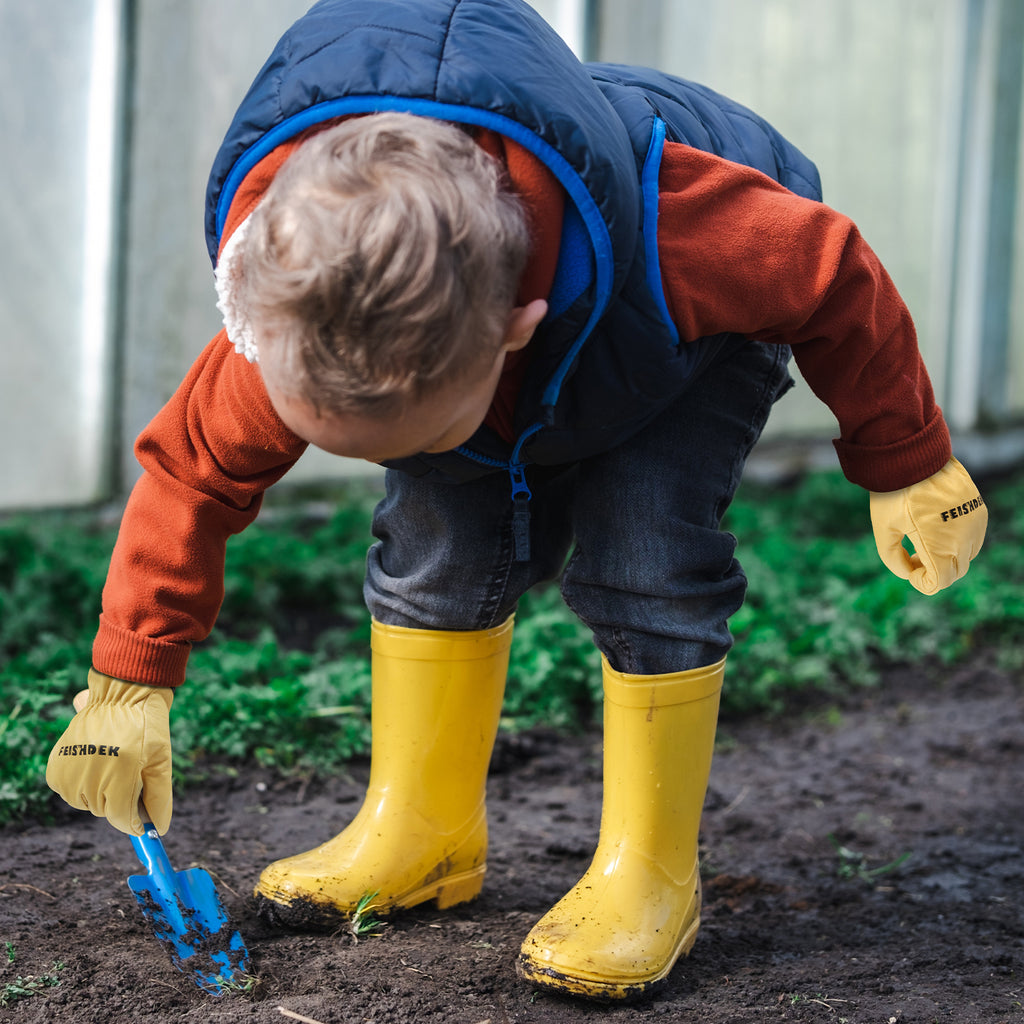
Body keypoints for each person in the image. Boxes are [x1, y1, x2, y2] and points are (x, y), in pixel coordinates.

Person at [46, 0, 988, 1002]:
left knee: (648, 554)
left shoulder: (696, 231)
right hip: (511, 343)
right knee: (434, 541)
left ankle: (650, 873)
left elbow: (835, 275)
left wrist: (907, 461)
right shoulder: (300, 309)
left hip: (676, 343)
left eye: (407, 437)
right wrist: (127, 686)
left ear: (514, 328)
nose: (390, 462)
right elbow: (192, 474)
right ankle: (423, 830)